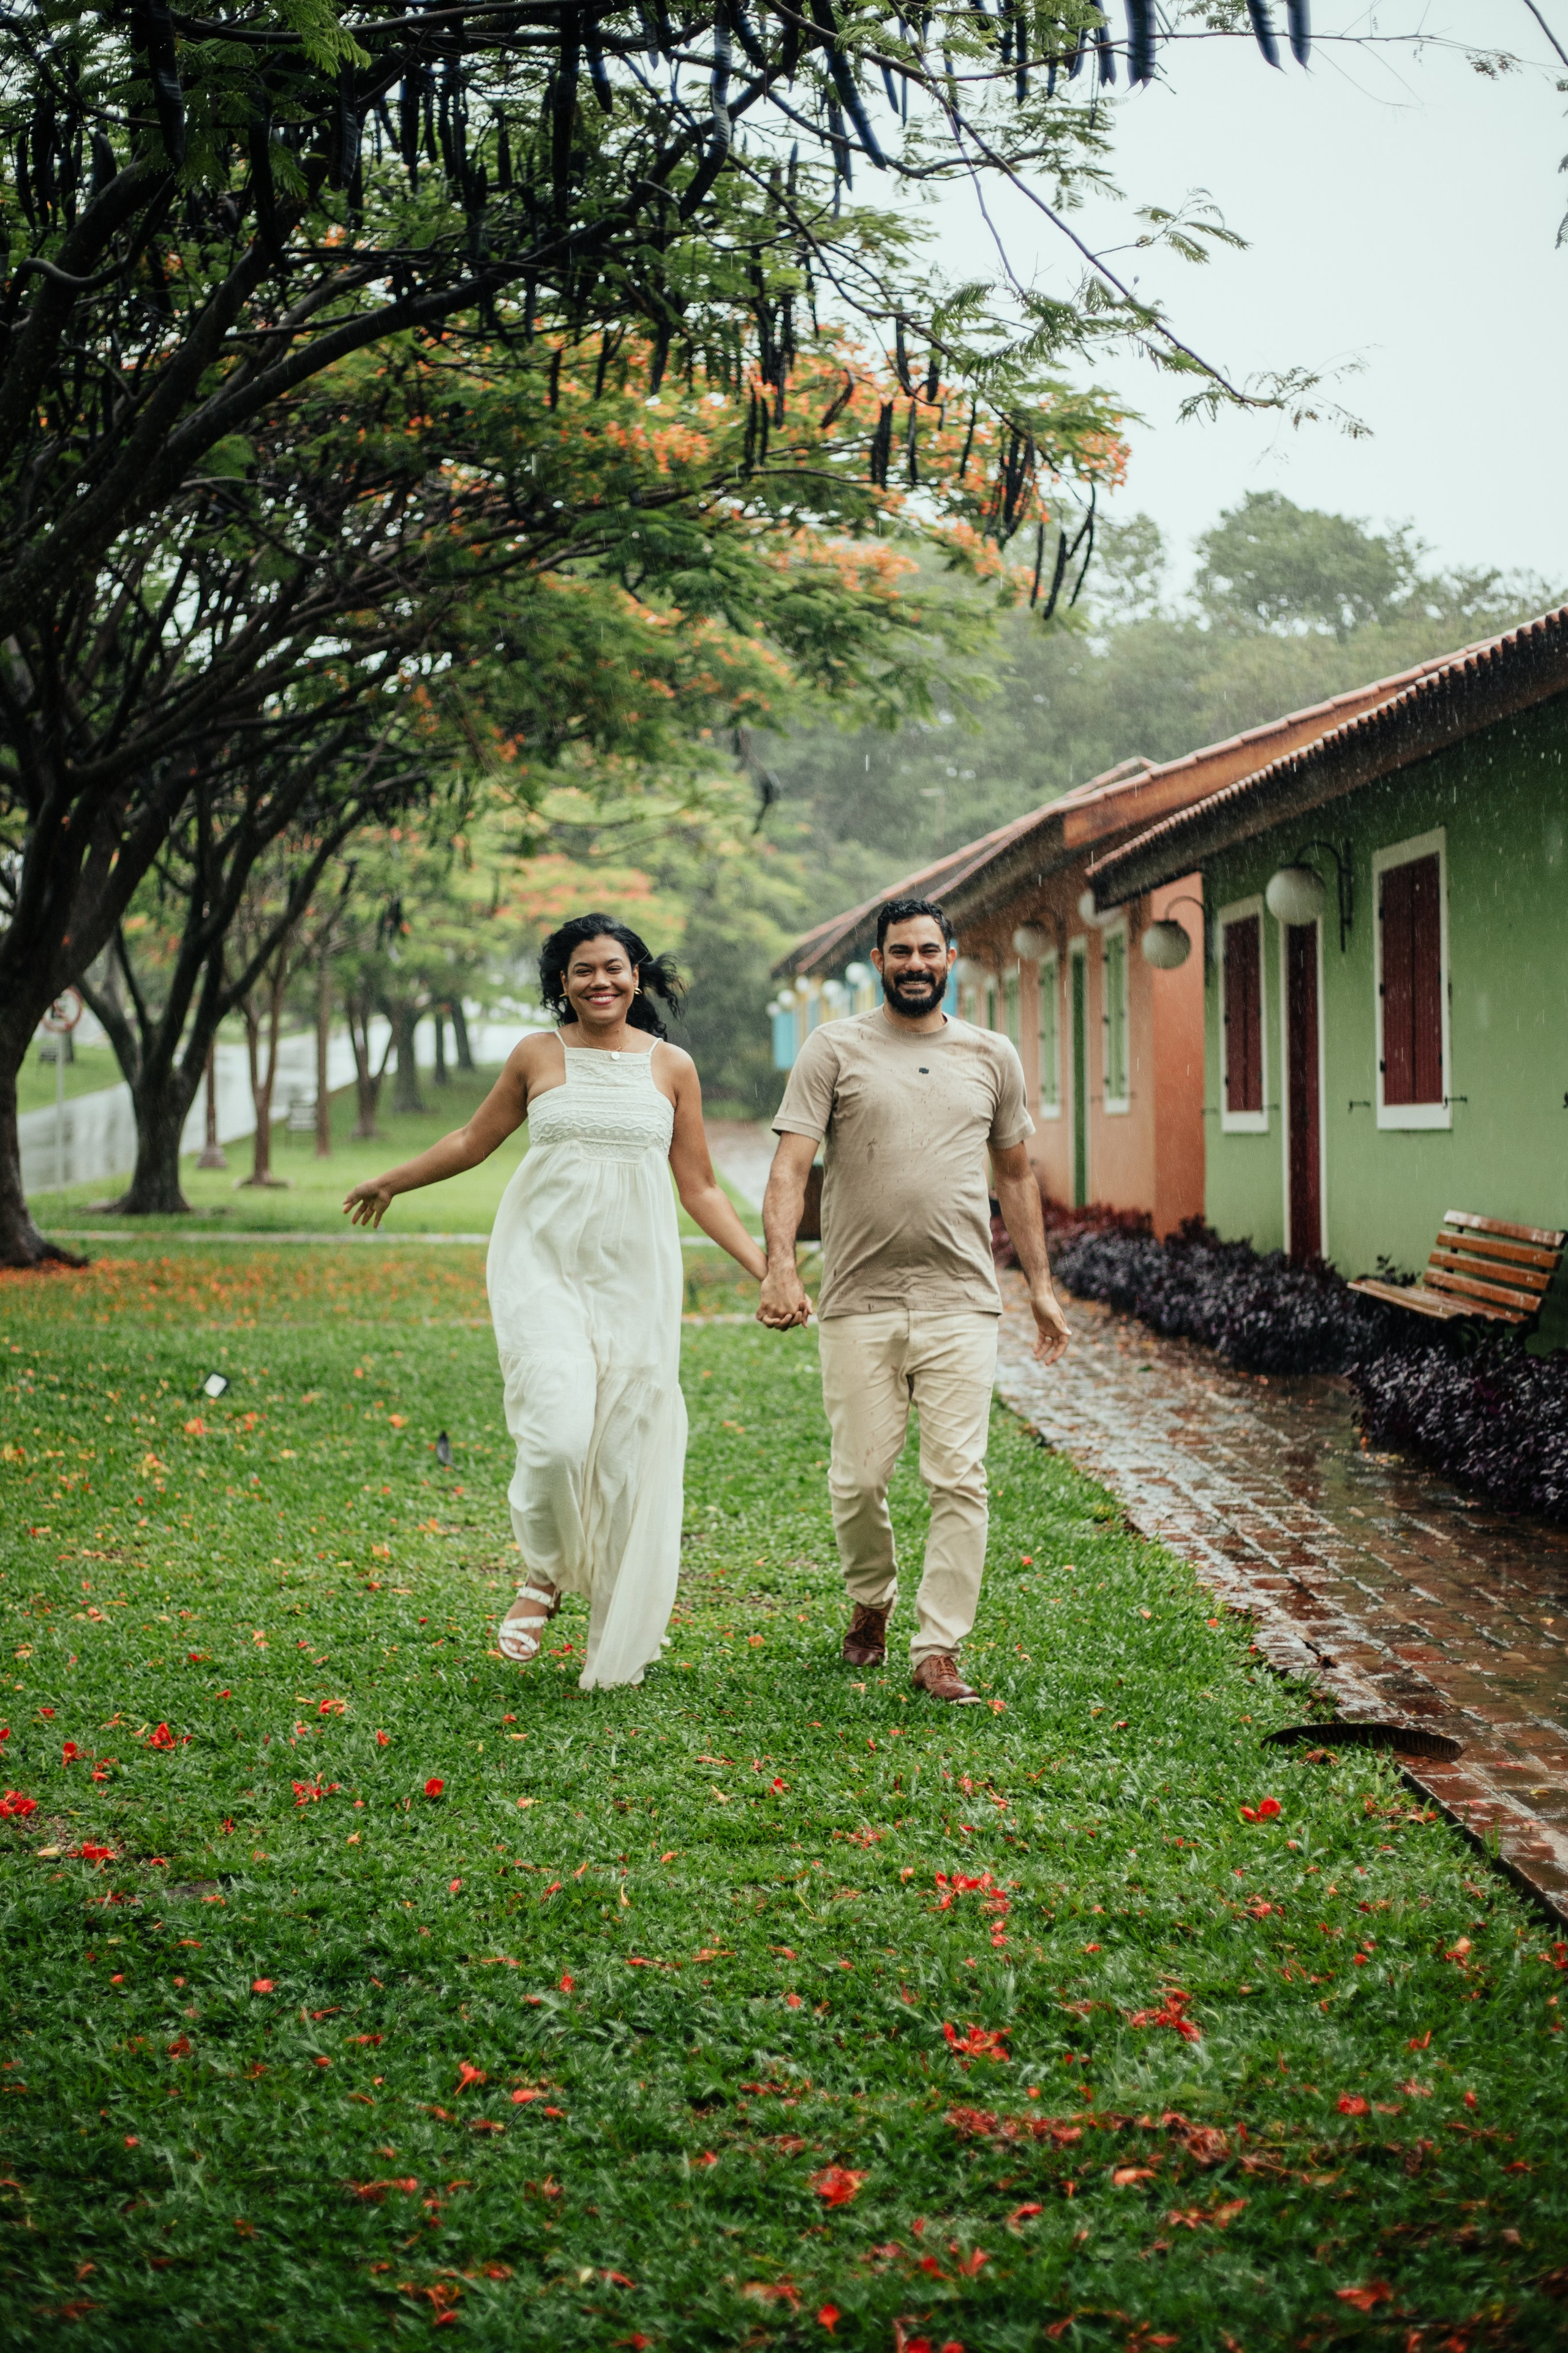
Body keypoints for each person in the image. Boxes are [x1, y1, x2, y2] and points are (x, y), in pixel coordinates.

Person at [342, 915, 770, 1690]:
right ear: (561, 984)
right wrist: (390, 1180)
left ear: (637, 976)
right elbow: (474, 1139)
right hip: (540, 1266)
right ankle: (543, 1574)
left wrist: (765, 1267)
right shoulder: (538, 1055)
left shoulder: (672, 1067)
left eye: (613, 968)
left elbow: (699, 1184)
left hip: (636, 1279)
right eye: (582, 971)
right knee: (555, 1437)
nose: (599, 982)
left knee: (618, 1458)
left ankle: (605, 1610)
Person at [758, 897, 1070, 1705]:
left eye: (929, 950)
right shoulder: (835, 1048)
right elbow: (792, 1168)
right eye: (901, 951)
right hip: (858, 1298)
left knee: (959, 1476)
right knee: (859, 1479)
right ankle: (872, 1596)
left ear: (951, 958)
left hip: (961, 1299)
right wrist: (781, 1266)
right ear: (881, 960)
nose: (916, 964)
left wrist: (1039, 1285)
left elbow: (1016, 1174)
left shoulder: (991, 1054)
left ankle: (938, 1647)